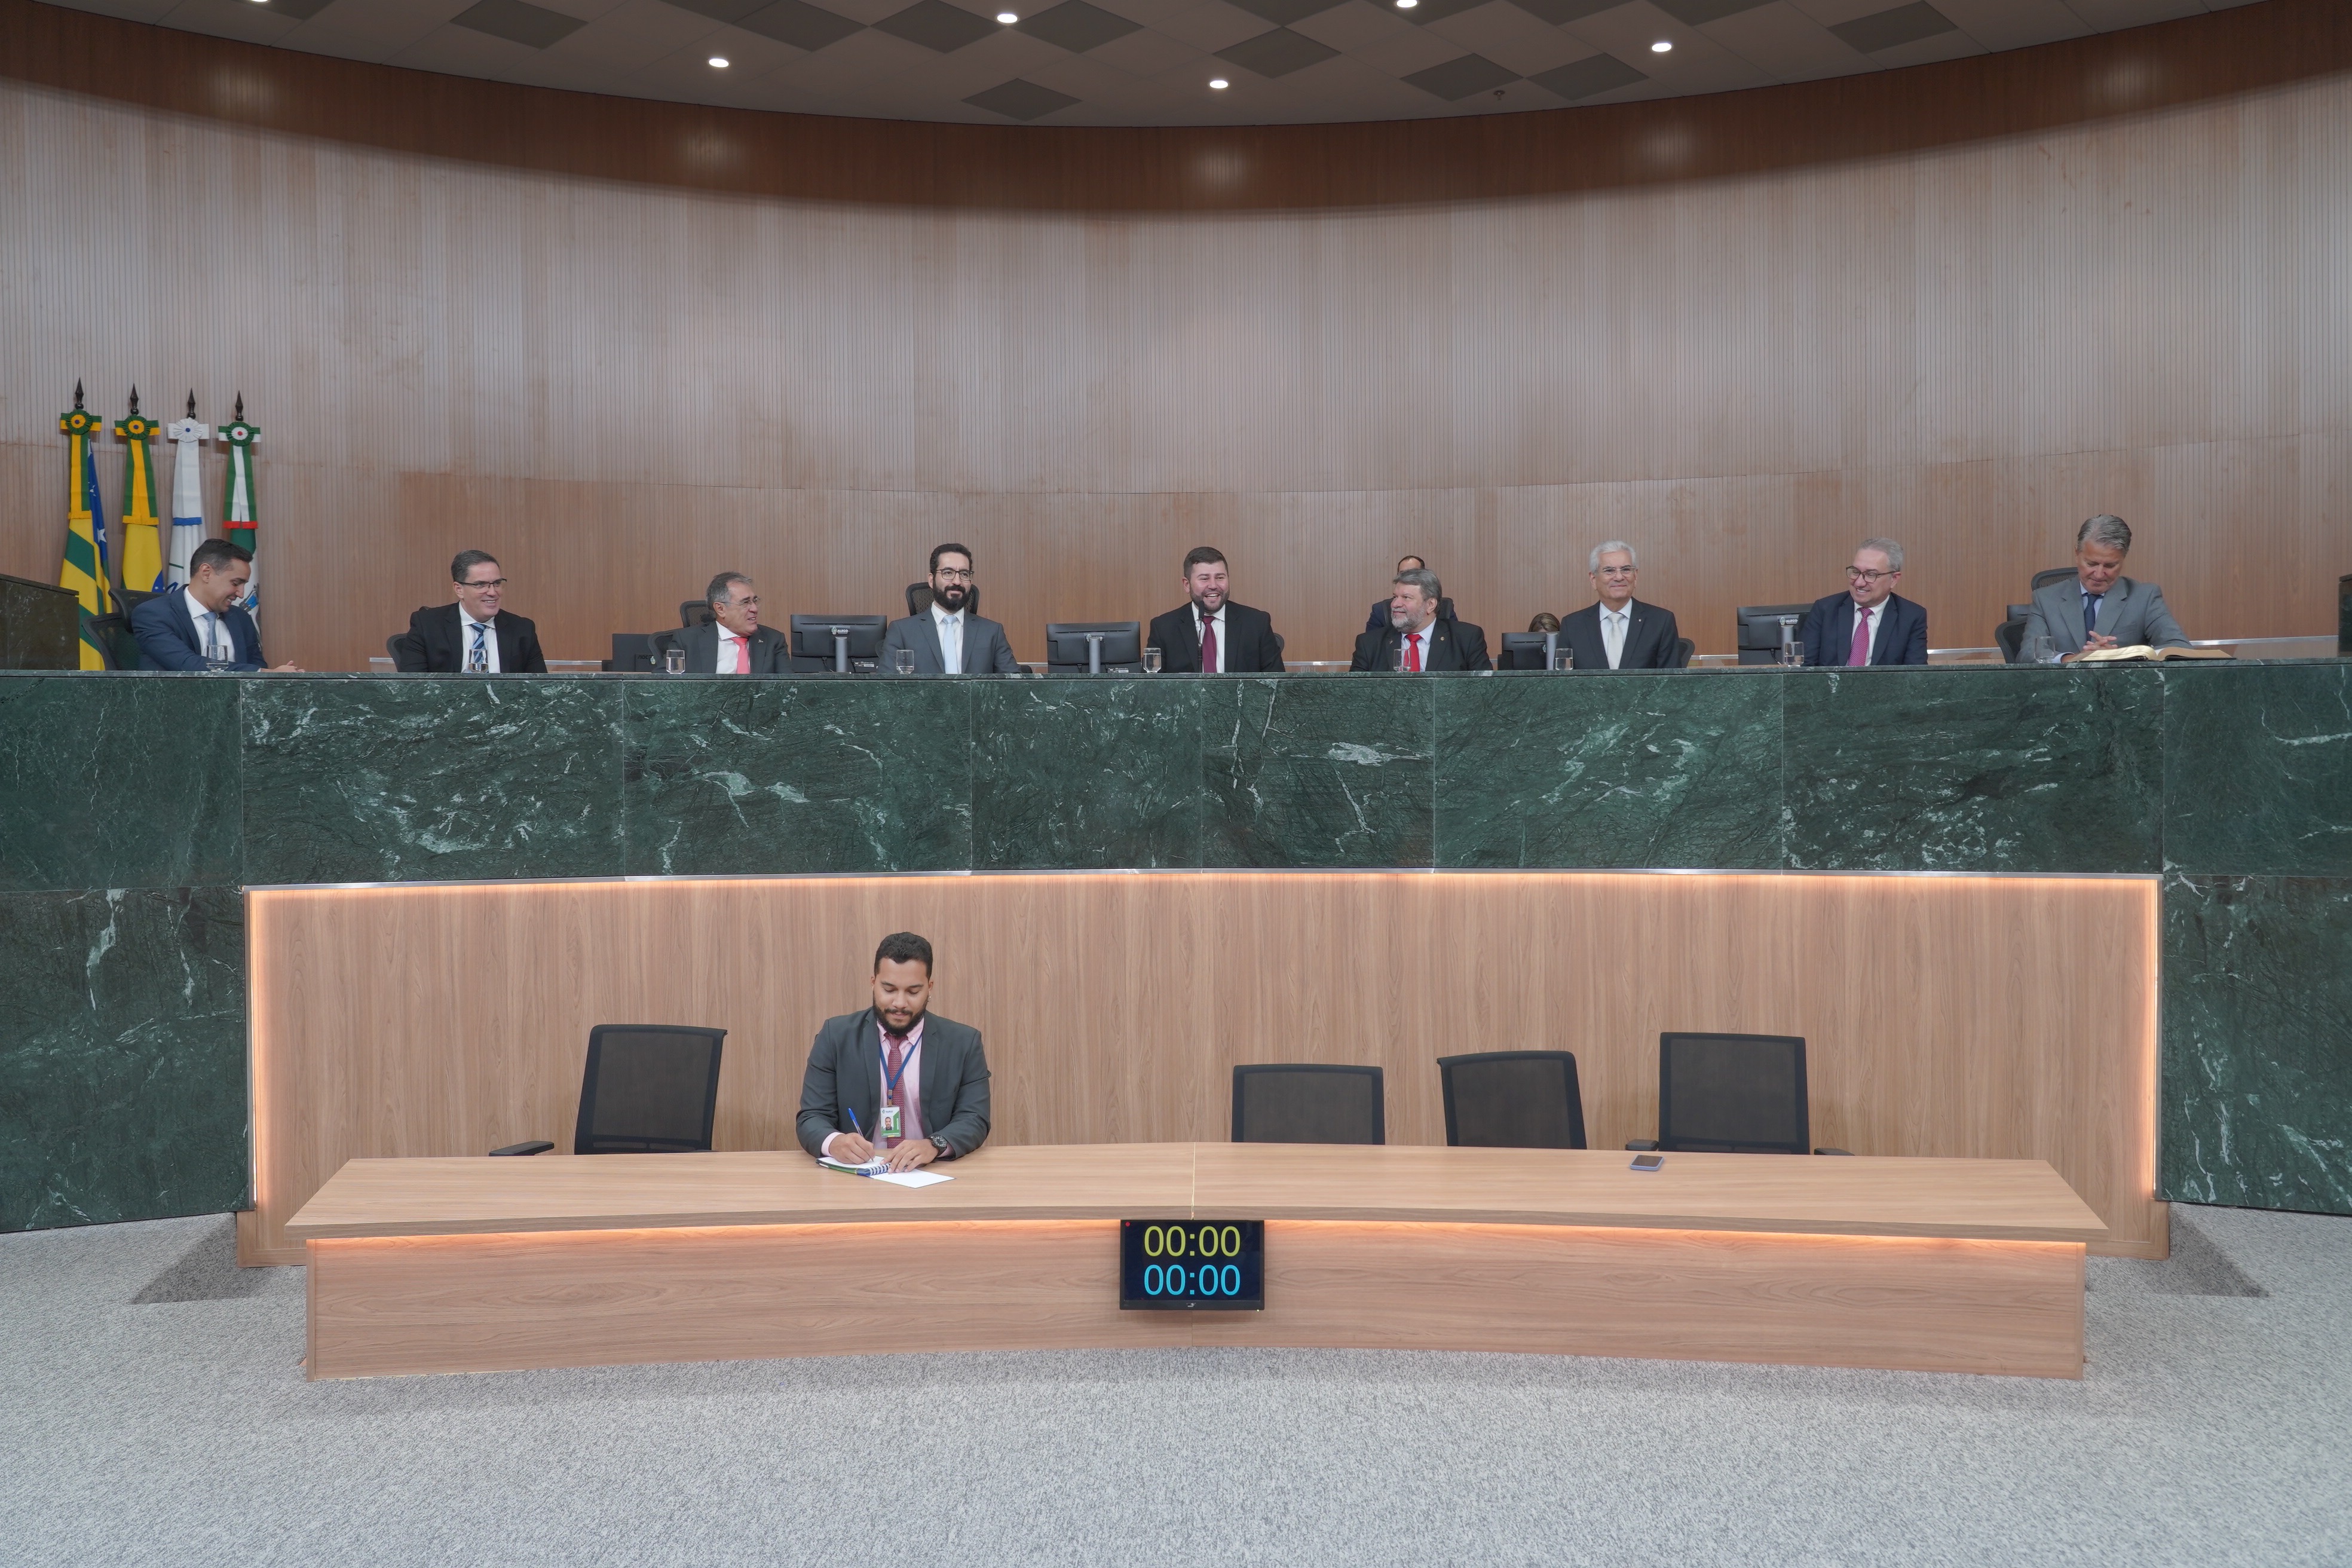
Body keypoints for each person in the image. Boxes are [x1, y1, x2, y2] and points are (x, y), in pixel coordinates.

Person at [797, 932, 992, 1172]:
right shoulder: (836, 1036)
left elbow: (975, 1118)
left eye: (913, 992)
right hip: (861, 1171)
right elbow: (812, 1116)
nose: (900, 1003)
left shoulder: (963, 1042)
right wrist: (834, 1142)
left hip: (930, 1171)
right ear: (873, 982)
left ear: (929, 987)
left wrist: (934, 1145)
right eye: (889, 989)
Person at [2019, 514, 2188, 662]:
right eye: (2091, 564)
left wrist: (2122, 658)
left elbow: (2180, 648)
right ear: (2077, 554)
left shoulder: (2145, 597)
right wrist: (2073, 659)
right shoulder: (2046, 599)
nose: (2099, 575)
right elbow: (2027, 654)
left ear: (2123, 560)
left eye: (2110, 566)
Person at [128, 538, 298, 671]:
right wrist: (262, 673)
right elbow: (187, 665)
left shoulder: (240, 618)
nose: (241, 594)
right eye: (236, 583)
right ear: (206, 573)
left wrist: (278, 676)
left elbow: (256, 670)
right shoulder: (153, 615)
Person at [392, 550, 548, 673]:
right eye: (481, 585)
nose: (493, 592)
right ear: (459, 589)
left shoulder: (522, 630)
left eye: (497, 583)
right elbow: (412, 688)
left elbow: (541, 691)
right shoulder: (427, 625)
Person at [881, 544, 1021, 674]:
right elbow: (885, 686)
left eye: (964, 574)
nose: (957, 581)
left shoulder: (992, 632)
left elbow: (1015, 685)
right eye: (948, 573)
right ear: (931, 580)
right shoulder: (901, 632)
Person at [1147, 547, 1285, 673]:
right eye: (1204, 579)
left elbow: (1278, 683)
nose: (1213, 585)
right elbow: (1150, 687)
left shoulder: (1257, 623)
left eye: (1220, 578)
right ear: (1187, 585)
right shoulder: (1164, 628)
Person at [1799, 539, 1927, 667]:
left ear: (1894, 579)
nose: (1859, 582)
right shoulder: (1825, 609)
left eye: (1871, 575)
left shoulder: (1911, 616)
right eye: (1855, 572)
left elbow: (1915, 674)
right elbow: (1804, 669)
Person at [1559, 541, 1681, 670]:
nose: (1619, 577)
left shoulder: (1661, 621)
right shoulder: (1572, 625)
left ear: (1635, 577)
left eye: (1626, 570)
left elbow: (1671, 679)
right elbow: (1563, 680)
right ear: (1593, 579)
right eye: (1609, 571)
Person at [1350, 567, 1490, 672]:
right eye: (1395, 597)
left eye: (1406, 598)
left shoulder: (1467, 639)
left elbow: (1485, 691)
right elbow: (1354, 695)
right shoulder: (1369, 644)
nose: (1394, 604)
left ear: (1430, 604)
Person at [678, 572, 789, 673]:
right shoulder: (687, 641)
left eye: (754, 601)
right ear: (721, 609)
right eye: (745, 603)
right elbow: (669, 685)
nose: (755, 609)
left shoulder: (773, 640)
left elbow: (788, 686)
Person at [1365, 555, 1453, 633]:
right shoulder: (1381, 611)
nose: (1407, 578)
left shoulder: (1446, 609)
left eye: (1413, 573)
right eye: (1403, 574)